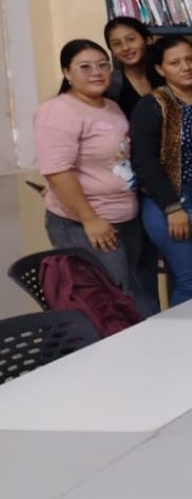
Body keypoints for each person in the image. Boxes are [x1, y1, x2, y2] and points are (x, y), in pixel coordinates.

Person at [35, 39, 157, 315]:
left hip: (125, 217)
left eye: (103, 65)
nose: (97, 73)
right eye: (85, 67)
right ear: (67, 73)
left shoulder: (110, 106)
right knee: (108, 304)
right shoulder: (58, 110)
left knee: (134, 295)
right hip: (85, 222)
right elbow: (57, 171)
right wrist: (89, 219)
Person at [129, 35, 192, 306]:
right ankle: (177, 332)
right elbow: (144, 161)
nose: (186, 67)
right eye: (175, 63)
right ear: (160, 69)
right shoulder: (152, 104)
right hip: (170, 199)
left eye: (190, 59)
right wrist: (172, 207)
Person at [103, 17, 160, 117]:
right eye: (117, 44)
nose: (125, 48)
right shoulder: (111, 85)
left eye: (131, 39)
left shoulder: (166, 75)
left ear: (147, 39)